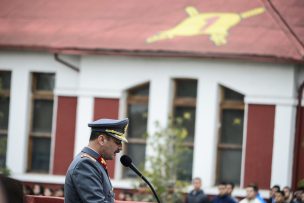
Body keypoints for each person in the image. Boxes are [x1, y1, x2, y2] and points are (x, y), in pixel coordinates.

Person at [64, 118, 129, 203]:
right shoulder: (85, 165)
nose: (120, 148)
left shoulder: (95, 163)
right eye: (117, 142)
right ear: (101, 140)